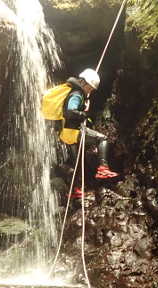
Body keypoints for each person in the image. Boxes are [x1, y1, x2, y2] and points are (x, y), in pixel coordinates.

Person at [61, 68, 119, 199]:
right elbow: (71, 111)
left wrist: (84, 107)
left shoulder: (77, 92)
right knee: (102, 139)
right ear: (84, 83)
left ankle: (74, 190)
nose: (91, 90)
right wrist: (84, 114)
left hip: (67, 132)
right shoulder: (77, 93)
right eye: (90, 88)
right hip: (74, 131)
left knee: (77, 162)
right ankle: (103, 168)